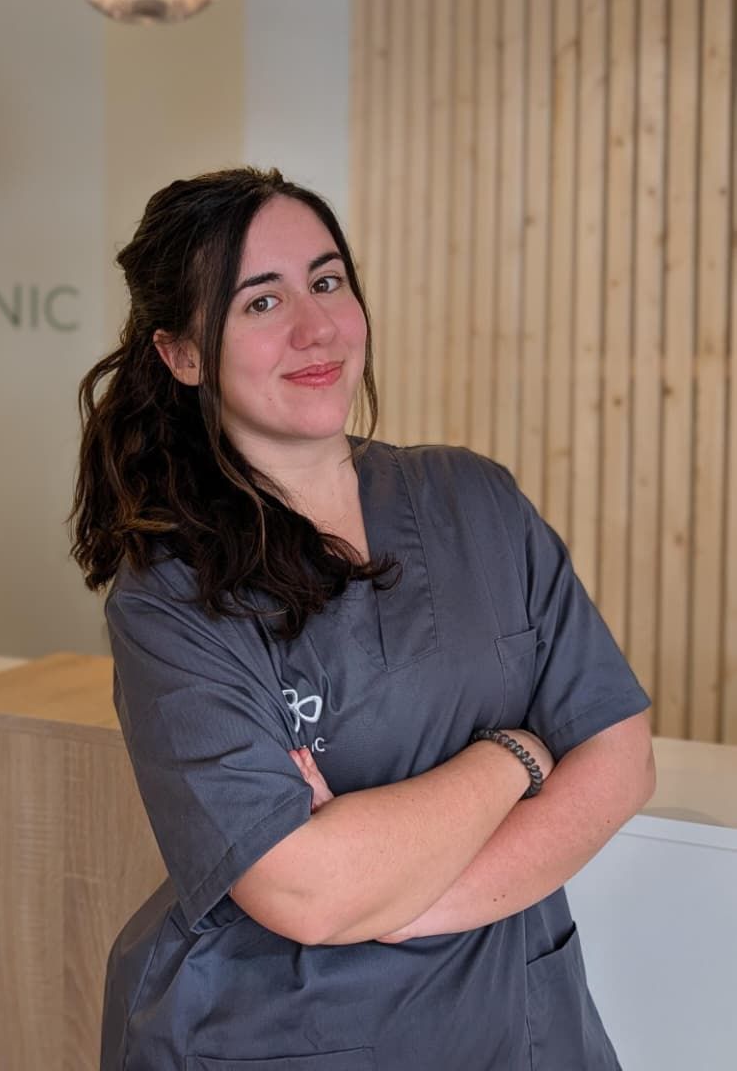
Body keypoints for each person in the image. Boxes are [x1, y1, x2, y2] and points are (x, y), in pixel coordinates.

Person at [70, 165, 655, 1071]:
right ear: (181, 355)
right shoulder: (172, 596)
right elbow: (304, 891)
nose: (316, 328)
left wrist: (410, 904)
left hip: (521, 1023)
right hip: (281, 1031)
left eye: (328, 280)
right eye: (260, 302)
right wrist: (517, 755)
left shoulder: (473, 500)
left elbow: (619, 758)